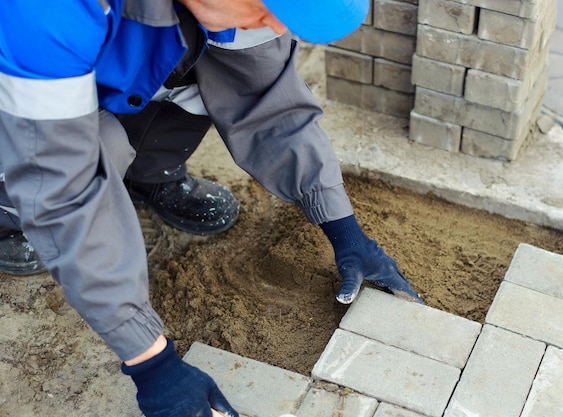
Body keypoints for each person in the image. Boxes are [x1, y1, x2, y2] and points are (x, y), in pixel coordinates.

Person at [0, 0, 424, 416]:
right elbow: (61, 185)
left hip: (87, 68)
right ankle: (10, 210)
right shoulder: (47, 12)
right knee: (75, 166)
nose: (276, 28)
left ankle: (147, 171)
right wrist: (151, 363)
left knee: (206, 72)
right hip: (23, 106)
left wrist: (346, 232)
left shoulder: (255, 8)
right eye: (268, 12)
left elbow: (267, 104)